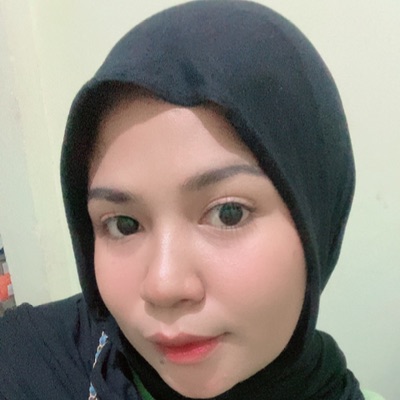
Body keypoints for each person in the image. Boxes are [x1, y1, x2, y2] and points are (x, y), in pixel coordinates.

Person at [0, 1, 384, 399]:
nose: (163, 286)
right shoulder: (34, 362)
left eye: (228, 214)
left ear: (316, 219)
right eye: (123, 224)